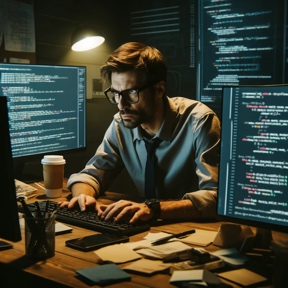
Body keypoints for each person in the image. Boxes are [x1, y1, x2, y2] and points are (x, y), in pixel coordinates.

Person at [61, 42, 221, 224]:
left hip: (196, 232)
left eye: (131, 92)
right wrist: (83, 197)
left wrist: (153, 209)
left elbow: (216, 199)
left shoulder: (200, 121)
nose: (121, 104)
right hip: (142, 230)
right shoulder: (121, 123)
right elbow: (90, 175)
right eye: (116, 93)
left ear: (159, 90)